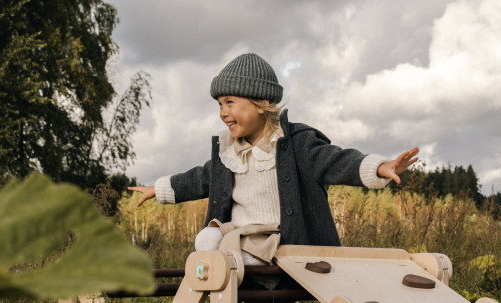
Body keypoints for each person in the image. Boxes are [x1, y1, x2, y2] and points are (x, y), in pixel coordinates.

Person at [128, 52, 419, 268]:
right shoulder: (229, 151)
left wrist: (380, 167)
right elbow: (200, 178)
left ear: (263, 103)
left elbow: (336, 161)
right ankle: (220, 286)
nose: (223, 112)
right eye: (219, 104)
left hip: (279, 241)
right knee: (206, 239)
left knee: (232, 259)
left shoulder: (296, 144)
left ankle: (232, 280)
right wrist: (160, 189)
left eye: (230, 102)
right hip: (239, 236)